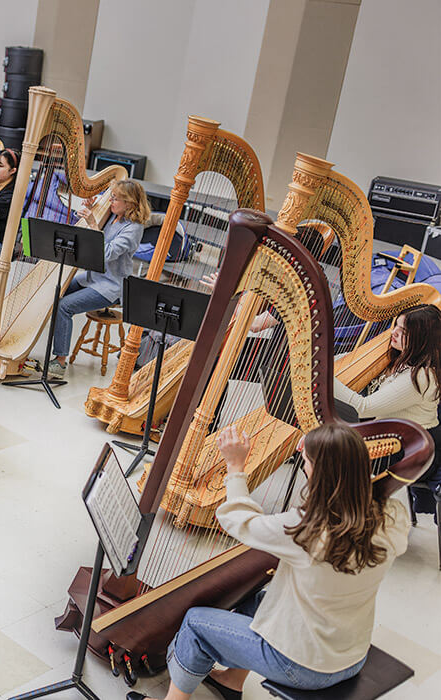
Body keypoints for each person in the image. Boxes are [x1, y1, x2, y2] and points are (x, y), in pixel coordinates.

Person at [127, 422, 410, 700]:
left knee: (194, 625)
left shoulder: (305, 530)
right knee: (255, 600)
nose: (303, 465)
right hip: (350, 655)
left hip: (303, 667)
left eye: (307, 462)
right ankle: (231, 681)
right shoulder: (393, 516)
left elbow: (237, 520)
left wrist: (236, 467)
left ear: (320, 474)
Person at [334, 304, 441, 514]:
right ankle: (337, 510)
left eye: (403, 332)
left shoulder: (423, 375)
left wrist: (322, 373)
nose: (394, 333)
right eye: (396, 326)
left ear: (421, 339)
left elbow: (364, 408)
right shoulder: (403, 356)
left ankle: (347, 515)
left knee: (332, 453)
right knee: (325, 444)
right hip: (389, 432)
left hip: (412, 446)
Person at [47, 179, 149, 380]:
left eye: (116, 199)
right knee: (57, 288)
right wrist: (91, 207)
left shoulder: (134, 228)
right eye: (111, 197)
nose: (111, 201)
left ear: (129, 203)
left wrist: (93, 223)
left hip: (112, 285)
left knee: (64, 306)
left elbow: (107, 253)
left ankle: (59, 361)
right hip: (93, 277)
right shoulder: (113, 214)